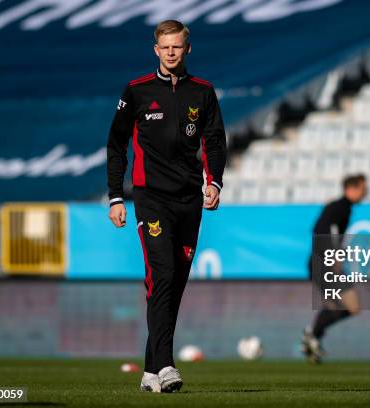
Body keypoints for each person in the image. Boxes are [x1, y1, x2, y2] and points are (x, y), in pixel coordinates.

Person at [106, 20, 226, 392]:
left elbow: (215, 141)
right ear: (155, 50)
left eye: (178, 47)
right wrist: (115, 196)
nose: (171, 52)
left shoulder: (203, 92)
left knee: (174, 284)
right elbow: (116, 144)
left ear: (187, 49)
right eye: (165, 47)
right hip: (151, 198)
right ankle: (168, 365)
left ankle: (149, 371)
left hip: (189, 199)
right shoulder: (137, 91)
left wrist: (214, 181)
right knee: (162, 275)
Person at [302, 174, 367, 363]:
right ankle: (312, 334)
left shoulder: (339, 207)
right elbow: (323, 232)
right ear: (350, 189)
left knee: (343, 306)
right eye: (362, 189)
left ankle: (313, 336)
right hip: (323, 264)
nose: (365, 193)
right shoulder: (340, 208)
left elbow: (318, 229)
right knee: (347, 306)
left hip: (321, 264)